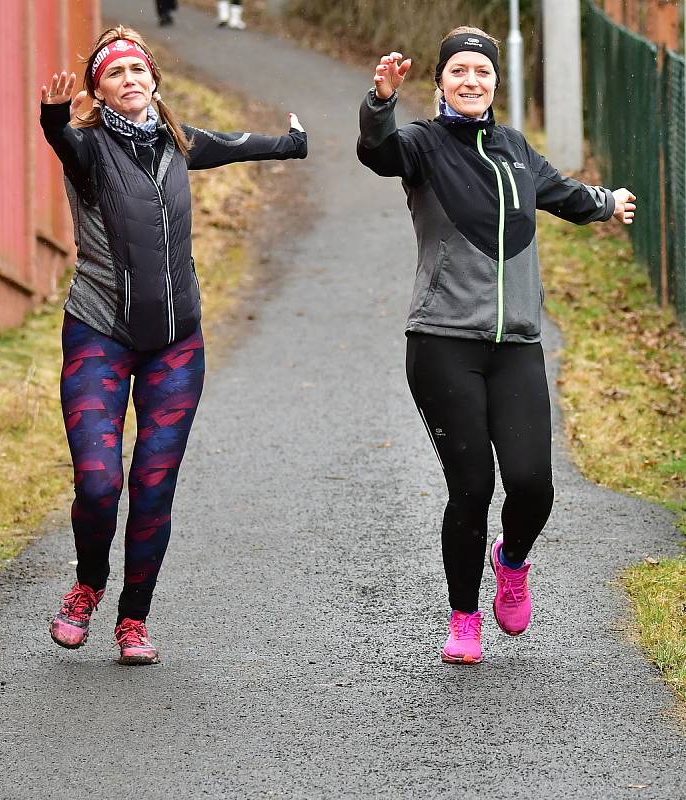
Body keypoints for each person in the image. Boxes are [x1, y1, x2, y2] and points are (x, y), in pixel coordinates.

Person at [357, 27, 635, 665]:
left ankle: (510, 561)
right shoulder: (422, 145)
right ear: (441, 82)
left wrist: (605, 203)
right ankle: (463, 618)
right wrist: (379, 103)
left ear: (494, 84)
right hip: (442, 341)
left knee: (533, 484)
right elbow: (377, 151)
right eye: (458, 71)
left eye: (481, 72)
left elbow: (561, 192)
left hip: (517, 344)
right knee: (472, 485)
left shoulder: (514, 148)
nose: (471, 80)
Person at [40, 26, 307, 665]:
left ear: (153, 79)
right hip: (99, 332)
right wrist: (52, 115)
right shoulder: (89, 148)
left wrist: (292, 144)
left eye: (138, 69)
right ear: (98, 90)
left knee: (155, 485)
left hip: (176, 345)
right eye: (114, 73)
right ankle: (88, 582)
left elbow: (242, 144)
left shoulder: (178, 142)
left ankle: (133, 619)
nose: (129, 79)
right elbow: (60, 137)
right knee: (101, 483)